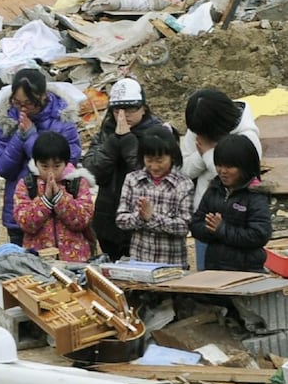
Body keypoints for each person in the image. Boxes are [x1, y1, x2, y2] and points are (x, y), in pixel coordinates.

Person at [0, 68, 82, 245]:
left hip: (57, 213)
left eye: (29, 103)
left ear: (43, 96)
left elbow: (68, 163)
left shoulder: (61, 119)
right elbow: (2, 168)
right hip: (20, 210)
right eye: (17, 103)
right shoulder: (7, 120)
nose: (23, 109)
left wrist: (32, 138)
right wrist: (19, 136)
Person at [83, 77, 163, 261]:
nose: (123, 115)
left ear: (143, 107)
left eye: (130, 109)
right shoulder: (106, 133)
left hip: (143, 221)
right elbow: (91, 172)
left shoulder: (158, 133)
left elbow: (151, 174)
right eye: (117, 110)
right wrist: (113, 143)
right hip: (107, 220)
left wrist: (127, 141)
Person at [181, 88, 261, 270]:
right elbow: (184, 170)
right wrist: (202, 156)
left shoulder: (246, 136)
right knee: (207, 281)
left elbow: (237, 179)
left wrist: (209, 152)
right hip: (206, 216)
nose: (197, 136)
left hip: (238, 222)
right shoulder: (200, 126)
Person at [190, 134, 272, 273]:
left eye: (229, 167)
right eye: (219, 165)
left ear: (244, 166)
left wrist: (222, 229)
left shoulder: (255, 195)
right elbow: (196, 224)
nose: (223, 171)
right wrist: (211, 229)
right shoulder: (214, 190)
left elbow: (259, 235)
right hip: (214, 269)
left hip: (246, 272)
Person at [116, 125, 194, 267]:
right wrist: (140, 216)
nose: (154, 166)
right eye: (149, 160)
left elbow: (184, 227)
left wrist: (152, 218)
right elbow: (121, 220)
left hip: (172, 263)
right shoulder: (133, 179)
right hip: (139, 261)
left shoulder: (183, 184)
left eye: (160, 160)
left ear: (172, 156)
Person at [13, 132, 95, 261]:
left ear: (66, 163)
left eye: (57, 166)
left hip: (75, 258)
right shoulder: (28, 185)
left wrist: (59, 198)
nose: (50, 172)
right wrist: (44, 200)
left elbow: (83, 220)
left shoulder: (77, 183)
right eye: (44, 166)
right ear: (36, 163)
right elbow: (25, 223)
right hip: (39, 260)